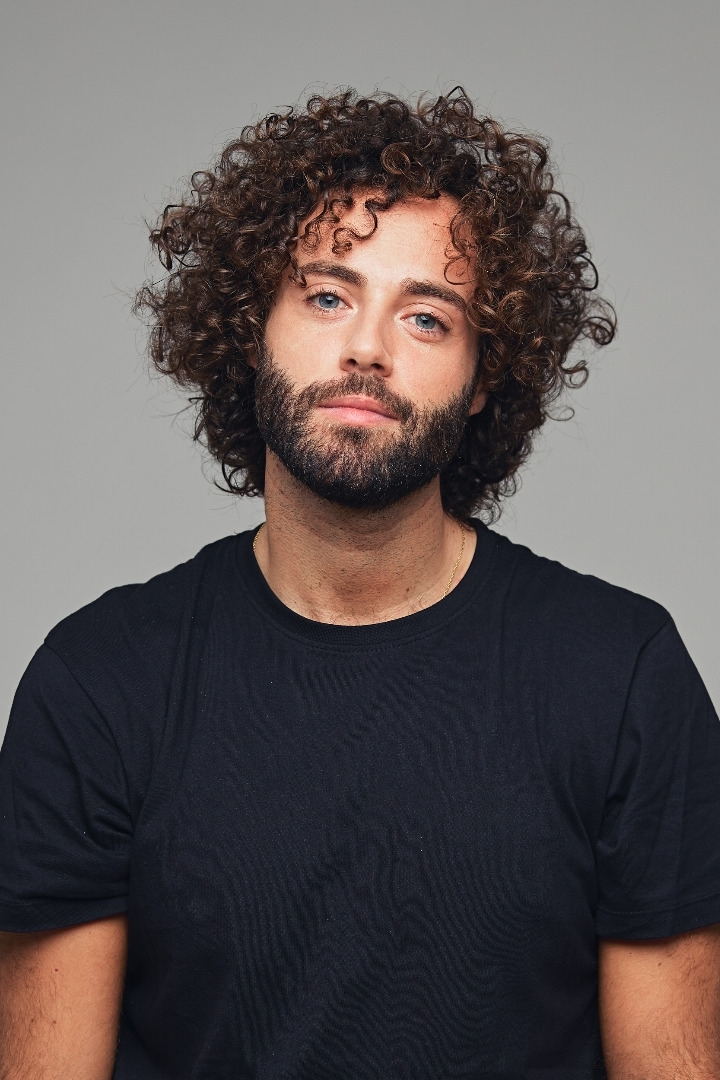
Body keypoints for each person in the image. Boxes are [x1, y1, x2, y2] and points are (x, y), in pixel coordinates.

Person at [1, 88, 719, 1080]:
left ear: (483, 377)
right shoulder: (98, 683)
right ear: (251, 327)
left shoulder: (624, 677)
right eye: (329, 296)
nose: (368, 348)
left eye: (427, 317)